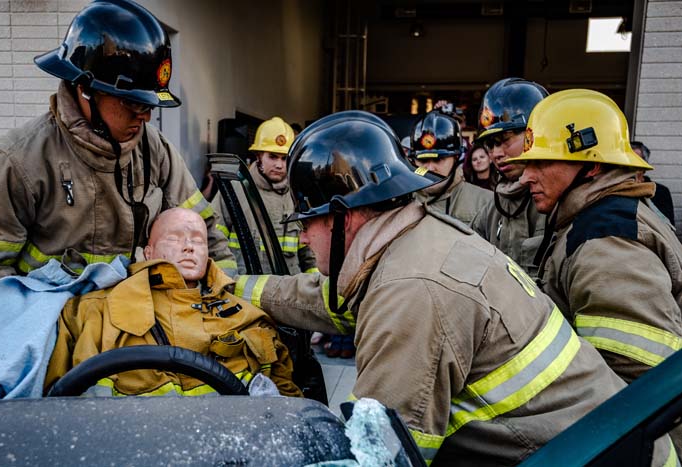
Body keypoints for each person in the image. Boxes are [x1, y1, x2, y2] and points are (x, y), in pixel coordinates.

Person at [231, 110, 676, 466]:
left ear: (345, 216)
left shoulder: (411, 289)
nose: (304, 238)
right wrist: (230, 286)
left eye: (309, 223)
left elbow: (383, 454)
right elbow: (327, 298)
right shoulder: (415, 241)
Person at [0, 0, 236, 401]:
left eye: (148, 105)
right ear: (84, 89)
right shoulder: (13, 163)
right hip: (21, 366)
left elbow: (209, 235)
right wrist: (77, 325)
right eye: (133, 104)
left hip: (118, 355)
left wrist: (219, 311)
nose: (145, 118)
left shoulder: (156, 153)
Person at [510, 89, 682, 455]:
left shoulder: (604, 239)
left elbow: (637, 381)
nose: (526, 176)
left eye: (542, 162)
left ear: (593, 165)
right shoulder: (600, 217)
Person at [45, 208, 300, 397]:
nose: (189, 246)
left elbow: (286, 398)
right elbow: (56, 401)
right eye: (174, 238)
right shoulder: (93, 312)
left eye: (198, 240)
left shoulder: (247, 317)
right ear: (148, 252)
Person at [212, 116, 317, 275]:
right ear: (259, 156)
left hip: (288, 293)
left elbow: (309, 252)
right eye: (272, 156)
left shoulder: (298, 194)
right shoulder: (236, 189)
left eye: (284, 158)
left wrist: (313, 287)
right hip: (244, 290)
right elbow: (214, 238)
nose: (279, 165)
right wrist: (227, 279)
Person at [470, 77, 548, 278]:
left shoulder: (561, 202)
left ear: (536, 133)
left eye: (505, 140)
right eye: (491, 145)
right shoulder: (492, 210)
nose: (496, 153)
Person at [409, 110, 492, 225]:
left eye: (438, 159)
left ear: (456, 158)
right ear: (413, 161)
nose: (430, 168)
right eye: (423, 161)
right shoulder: (400, 203)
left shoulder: (487, 202)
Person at [631, 141, 676, 224]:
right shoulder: (616, 187)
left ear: (644, 165)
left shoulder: (661, 191)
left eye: (636, 160)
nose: (631, 165)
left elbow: (668, 223)